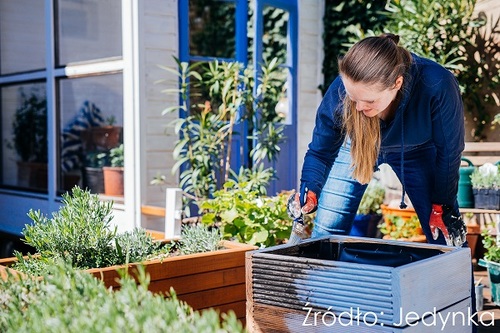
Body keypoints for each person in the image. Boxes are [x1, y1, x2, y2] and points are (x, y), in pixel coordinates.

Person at [287, 32, 476, 331]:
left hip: (420, 150)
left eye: (369, 100)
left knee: (445, 238)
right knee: (324, 233)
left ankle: (461, 323)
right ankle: (313, 323)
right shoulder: (344, 89)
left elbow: (449, 153)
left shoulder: (437, 84)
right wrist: (309, 188)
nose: (359, 107)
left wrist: (442, 203)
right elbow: (320, 150)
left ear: (396, 83)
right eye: (353, 98)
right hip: (359, 146)